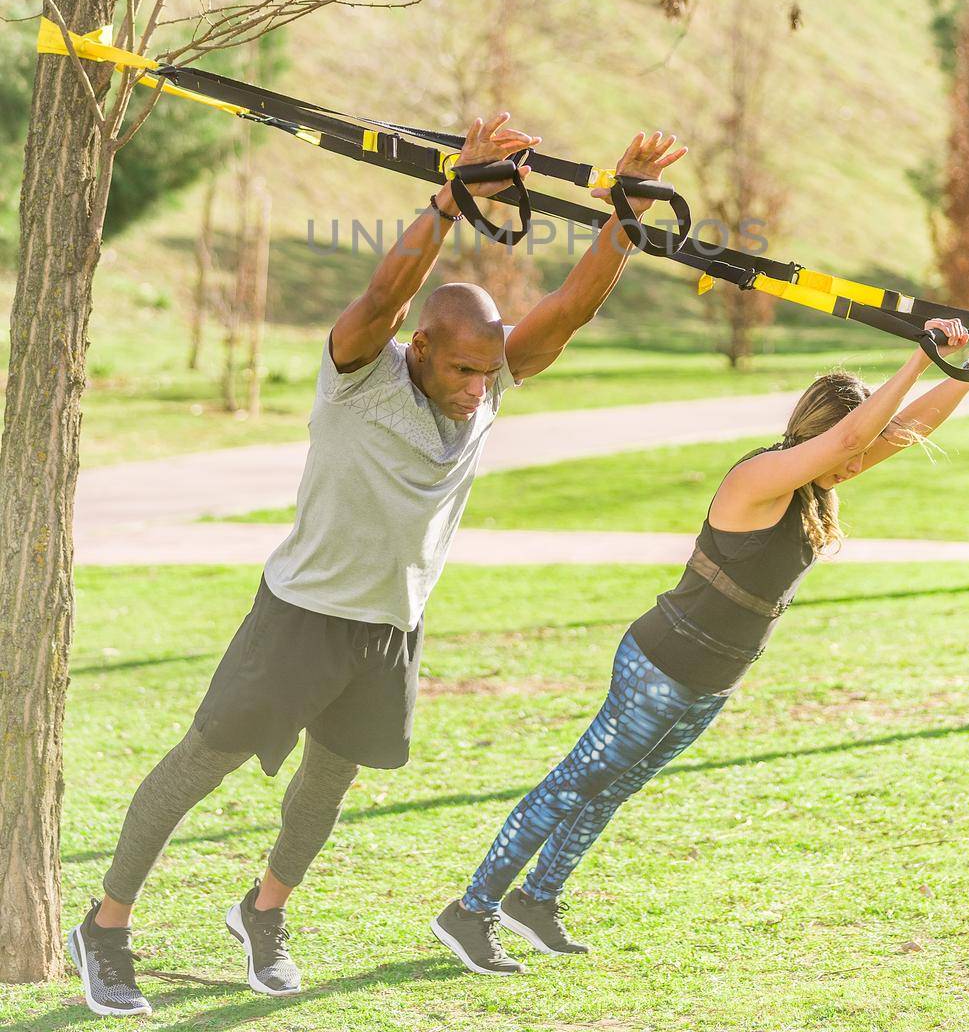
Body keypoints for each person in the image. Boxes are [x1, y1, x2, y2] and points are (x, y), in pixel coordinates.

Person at [68, 113, 685, 1017]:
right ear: (422, 351)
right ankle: (107, 925)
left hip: (389, 627)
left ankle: (263, 915)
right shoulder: (358, 372)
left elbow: (569, 309)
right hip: (300, 614)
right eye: (466, 371)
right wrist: (448, 201)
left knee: (327, 786)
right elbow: (385, 292)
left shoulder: (490, 385)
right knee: (199, 766)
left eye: (489, 374)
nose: (481, 390)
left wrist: (623, 218)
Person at [431, 309, 969, 974]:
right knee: (573, 785)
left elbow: (905, 429)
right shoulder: (760, 478)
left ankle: (535, 901)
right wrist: (919, 355)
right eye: (849, 448)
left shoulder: (817, 481)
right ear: (822, 436)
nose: (858, 461)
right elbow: (860, 431)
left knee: (612, 790)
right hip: (660, 665)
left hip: (710, 680)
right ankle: (469, 912)